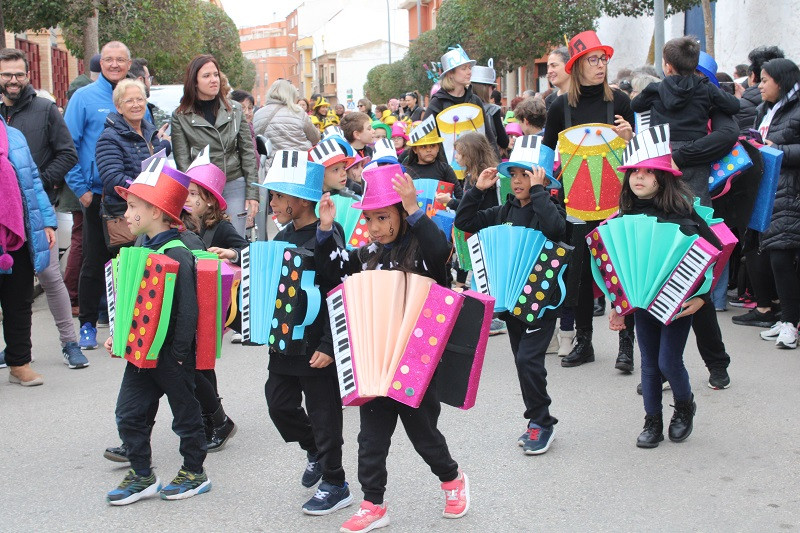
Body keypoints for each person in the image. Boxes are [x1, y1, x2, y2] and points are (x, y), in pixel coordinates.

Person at [315, 164, 469, 532]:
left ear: (401, 214)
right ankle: (373, 504)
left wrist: (416, 208)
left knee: (424, 435)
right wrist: (324, 229)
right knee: (370, 438)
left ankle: (452, 479)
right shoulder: (367, 252)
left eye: (384, 217)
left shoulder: (424, 249)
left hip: (416, 358)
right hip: (374, 359)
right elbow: (332, 274)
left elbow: (439, 248)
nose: (377, 227)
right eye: (370, 220)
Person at [632, 38, 738, 390]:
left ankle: (700, 363)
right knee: (669, 274)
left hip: (670, 181)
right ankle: (687, 367)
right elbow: (734, 107)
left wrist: (672, 154)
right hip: (686, 184)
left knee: (690, 275)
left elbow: (638, 104)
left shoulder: (657, 90)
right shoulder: (708, 91)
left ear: (666, 64)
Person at [104, 162, 210, 505]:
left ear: (156, 210)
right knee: (129, 412)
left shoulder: (177, 251)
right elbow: (133, 302)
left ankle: (194, 472)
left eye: (134, 206)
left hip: (170, 355)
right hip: (140, 351)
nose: (127, 212)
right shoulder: (142, 251)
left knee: (185, 413)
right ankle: (142, 474)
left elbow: (188, 309)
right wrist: (118, 335)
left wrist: (179, 354)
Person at [454, 136, 565, 454]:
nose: (518, 181)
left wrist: (541, 191)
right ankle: (537, 419)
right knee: (523, 361)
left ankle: (542, 422)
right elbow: (465, 222)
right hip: (513, 299)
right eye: (514, 174)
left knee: (529, 359)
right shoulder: (502, 211)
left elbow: (557, 231)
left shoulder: (549, 208)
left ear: (541, 178)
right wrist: (478, 190)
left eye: (526, 174)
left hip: (541, 298)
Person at [257, 152, 353, 515]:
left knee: (325, 413)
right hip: (284, 345)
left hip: (316, 347)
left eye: (278, 197)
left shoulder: (329, 235)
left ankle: (335, 481)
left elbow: (338, 291)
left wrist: (330, 344)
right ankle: (313, 448)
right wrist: (236, 258)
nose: (273, 204)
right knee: (278, 404)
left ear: (299, 200)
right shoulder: (283, 234)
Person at [608, 126, 712, 448]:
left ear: (663, 177)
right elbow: (615, 265)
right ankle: (652, 420)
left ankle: (684, 406)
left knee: (669, 361)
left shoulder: (682, 213)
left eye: (648, 172)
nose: (638, 178)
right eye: (634, 172)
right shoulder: (622, 215)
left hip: (678, 299)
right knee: (650, 364)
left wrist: (703, 298)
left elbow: (712, 251)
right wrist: (618, 305)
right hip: (642, 302)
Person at [541, 30, 634, 370]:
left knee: (619, 274)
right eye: (593, 60)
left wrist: (629, 137)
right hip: (575, 205)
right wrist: (539, 188)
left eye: (604, 59)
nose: (601, 65)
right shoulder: (559, 107)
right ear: (577, 66)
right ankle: (585, 342)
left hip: (616, 204)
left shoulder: (620, 102)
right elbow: (545, 157)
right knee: (577, 277)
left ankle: (626, 345)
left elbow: (636, 158)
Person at [0, 48, 85, 369]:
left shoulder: (46, 110)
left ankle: (70, 343)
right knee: (11, 284)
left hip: (37, 210)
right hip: (4, 218)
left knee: (48, 274)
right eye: (7, 74)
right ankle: (17, 350)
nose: (13, 80)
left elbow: (68, 154)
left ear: (28, 76)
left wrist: (40, 184)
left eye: (19, 74)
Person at [64, 40, 133, 351]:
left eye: (120, 59)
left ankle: (128, 324)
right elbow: (68, 146)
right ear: (99, 63)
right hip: (96, 196)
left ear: (128, 64)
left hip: (131, 201)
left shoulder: (134, 95)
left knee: (130, 262)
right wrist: (81, 190)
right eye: (109, 59)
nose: (114, 64)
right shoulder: (84, 98)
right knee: (94, 261)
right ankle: (88, 325)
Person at [171, 54, 259, 238]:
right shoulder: (180, 115)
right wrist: (192, 195)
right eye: (206, 76)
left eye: (216, 74)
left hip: (234, 182)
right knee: (205, 240)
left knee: (235, 239)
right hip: (202, 190)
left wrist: (253, 193)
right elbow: (183, 162)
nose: (213, 80)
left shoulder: (234, 109)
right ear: (194, 82)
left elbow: (248, 153)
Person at [0, 116, 58, 385]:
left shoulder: (14, 136)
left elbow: (33, 181)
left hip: (17, 233)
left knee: (19, 301)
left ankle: (19, 363)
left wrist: (46, 221)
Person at [752, 59, 800, 349]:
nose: (759, 85)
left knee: (783, 259)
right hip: (773, 193)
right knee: (775, 259)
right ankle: (786, 320)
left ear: (781, 82)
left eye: (765, 80)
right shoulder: (764, 110)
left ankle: (791, 324)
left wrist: (777, 150)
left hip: (792, 193)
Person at [96, 79, 171, 249]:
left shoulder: (150, 131)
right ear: (118, 107)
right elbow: (112, 177)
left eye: (139, 99)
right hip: (126, 215)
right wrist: (144, 192)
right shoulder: (109, 137)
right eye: (129, 100)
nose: (136, 105)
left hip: (153, 214)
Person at [425, 46, 496, 150]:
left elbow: (489, 138)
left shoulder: (475, 101)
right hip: (448, 164)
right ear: (450, 74)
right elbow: (427, 138)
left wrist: (495, 164)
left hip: (477, 164)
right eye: (464, 68)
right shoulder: (437, 102)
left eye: (469, 68)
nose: (469, 72)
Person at [254, 80, 320, 171]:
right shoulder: (298, 111)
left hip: (272, 167)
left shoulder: (258, 114)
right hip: (299, 165)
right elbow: (315, 138)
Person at [402, 119, 462, 210]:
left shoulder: (445, 169)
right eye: (423, 147)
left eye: (432, 146)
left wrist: (450, 201)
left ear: (438, 147)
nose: (428, 150)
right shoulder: (406, 171)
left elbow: (461, 199)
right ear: (415, 150)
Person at [471, 60, 509, 155]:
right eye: (492, 87)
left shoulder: (462, 108)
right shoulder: (493, 111)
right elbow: (504, 142)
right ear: (484, 88)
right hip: (488, 160)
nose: (493, 90)